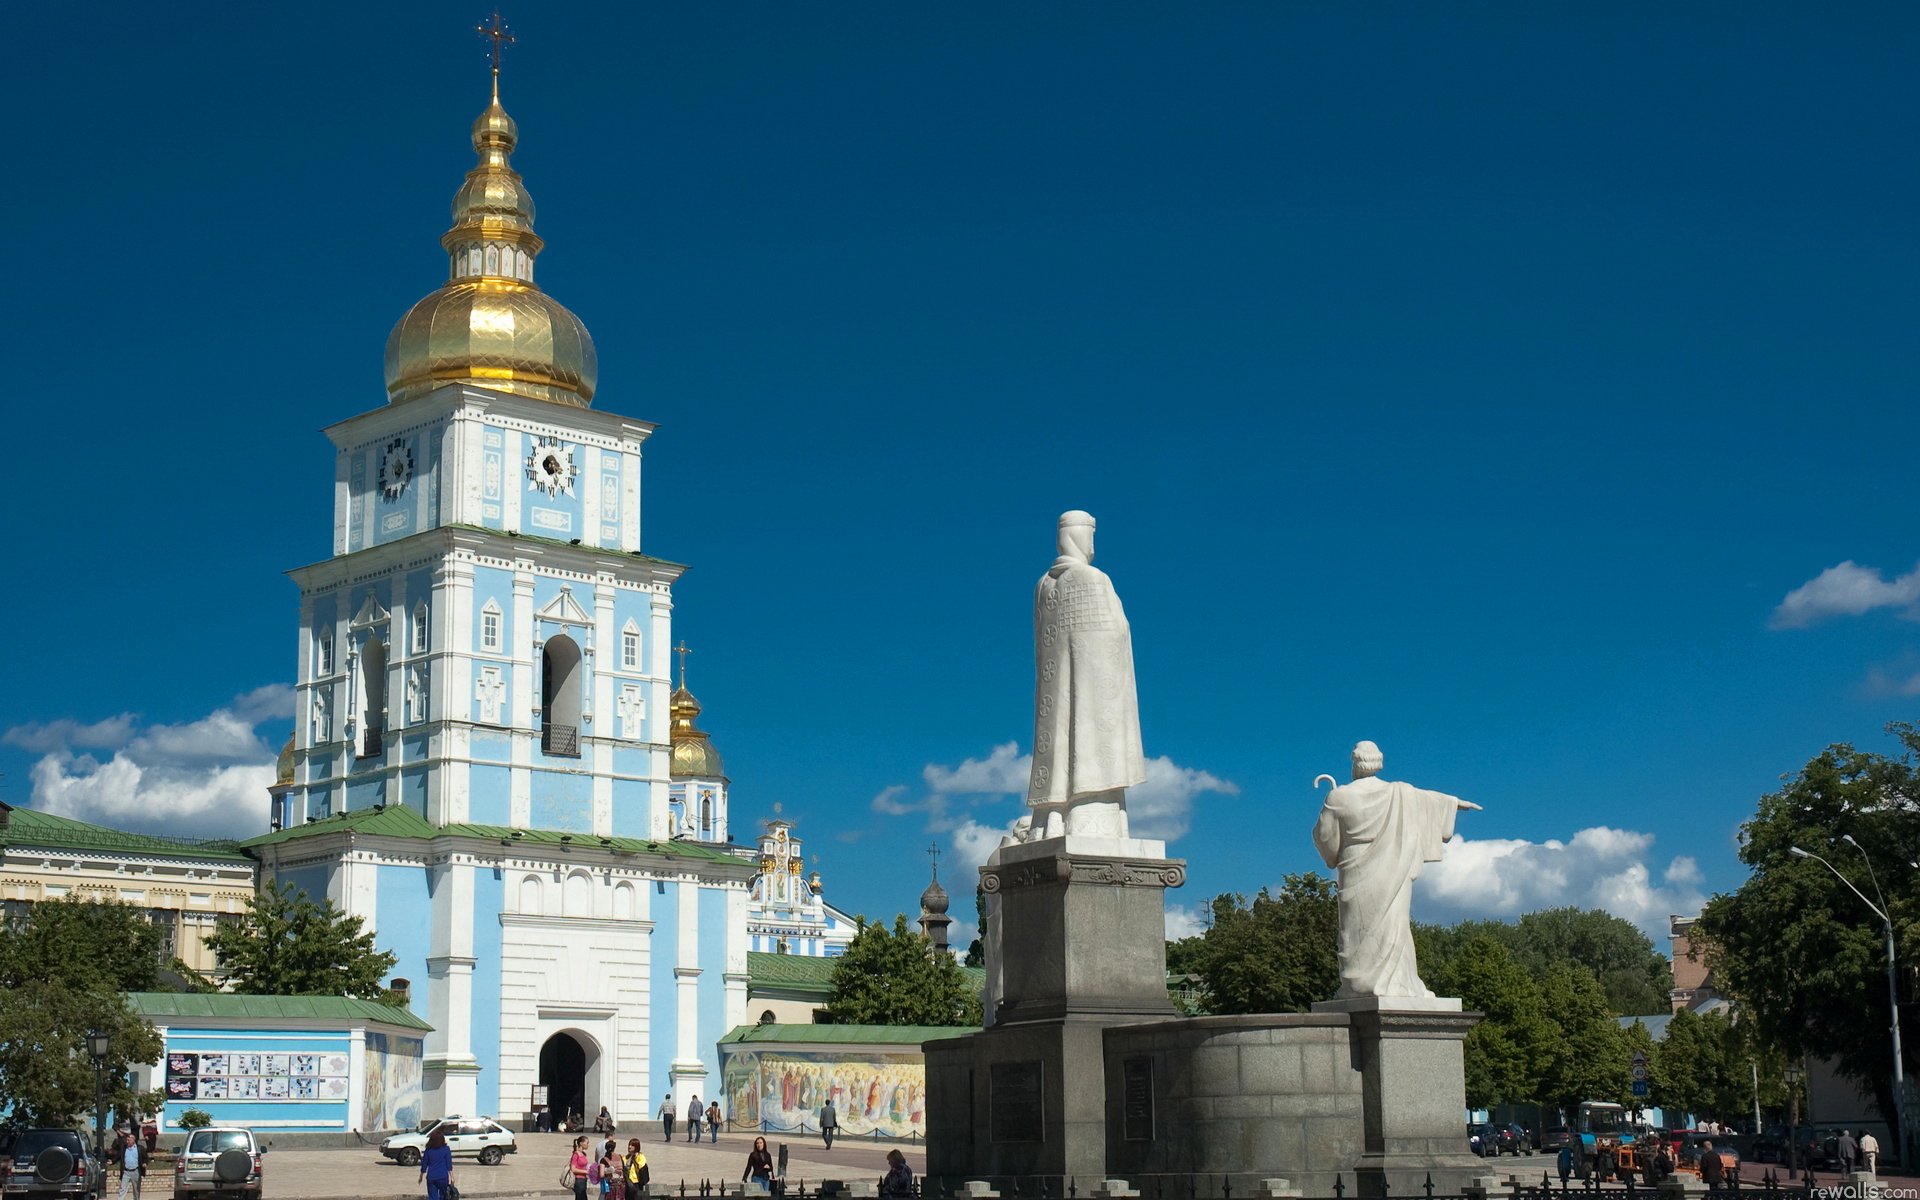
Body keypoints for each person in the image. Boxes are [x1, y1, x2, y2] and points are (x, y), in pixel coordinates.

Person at [1313, 741, 1480, 998]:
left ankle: (1362, 985)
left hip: (1356, 868)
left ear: (1355, 764)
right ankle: (1398, 983)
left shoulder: (1340, 797)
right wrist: (1454, 803)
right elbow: (1428, 800)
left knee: (1359, 930)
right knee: (1394, 923)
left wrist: (1334, 846)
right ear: (1378, 763)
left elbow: (1326, 839)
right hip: (1393, 864)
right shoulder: (1400, 793)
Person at [1025, 510, 1147, 841]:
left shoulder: (1042, 586)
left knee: (1059, 730)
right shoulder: (1094, 580)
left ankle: (1053, 812)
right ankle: (1089, 806)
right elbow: (1112, 633)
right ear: (1081, 537)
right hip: (1093, 689)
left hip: (1054, 688)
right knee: (1087, 736)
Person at [420, 1129, 454, 1200]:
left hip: (431, 1177)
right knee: (443, 1196)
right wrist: (452, 1177)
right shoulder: (446, 1149)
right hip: (443, 1177)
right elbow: (449, 1164)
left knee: (432, 1197)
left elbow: (424, 1164)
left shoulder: (428, 1150)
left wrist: (421, 1176)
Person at [115, 1131, 142, 1200]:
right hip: (126, 1172)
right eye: (127, 1140)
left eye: (129, 1140)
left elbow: (145, 1158)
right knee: (122, 1188)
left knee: (136, 1189)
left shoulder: (139, 1148)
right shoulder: (124, 1148)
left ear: (133, 1140)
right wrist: (112, 1161)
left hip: (135, 1171)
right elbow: (119, 1156)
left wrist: (145, 1163)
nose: (127, 1141)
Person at [569, 1135, 593, 1200]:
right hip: (578, 1180)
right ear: (581, 1143)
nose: (588, 1145)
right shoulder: (576, 1154)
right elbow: (573, 1169)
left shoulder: (583, 1154)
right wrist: (586, 1172)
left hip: (583, 1180)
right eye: (587, 1143)